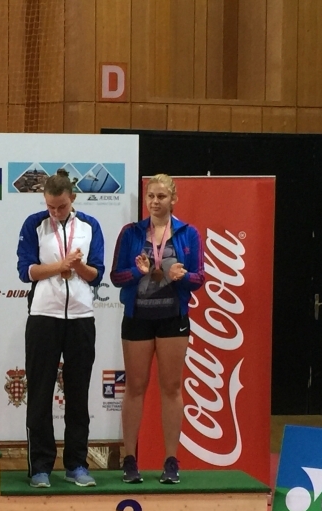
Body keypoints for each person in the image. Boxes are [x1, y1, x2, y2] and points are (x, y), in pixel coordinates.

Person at [110, 173, 204, 484]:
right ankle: (129, 458)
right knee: (135, 388)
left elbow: (199, 278)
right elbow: (116, 276)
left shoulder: (188, 233)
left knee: (171, 388)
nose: (155, 202)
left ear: (173, 199)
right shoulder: (131, 232)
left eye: (161, 196)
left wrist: (182, 277)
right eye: (151, 196)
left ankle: (171, 460)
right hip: (137, 317)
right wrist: (137, 273)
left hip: (172, 318)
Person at [17, 168, 105, 488]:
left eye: (62, 206)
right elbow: (26, 271)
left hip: (81, 317)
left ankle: (77, 464)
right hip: (43, 316)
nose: (55, 212)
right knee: (40, 393)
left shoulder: (90, 226)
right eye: (50, 206)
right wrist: (60, 266)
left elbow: (96, 274)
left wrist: (78, 265)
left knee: (78, 394)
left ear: (73, 198)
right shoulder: (34, 224)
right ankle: (40, 466)